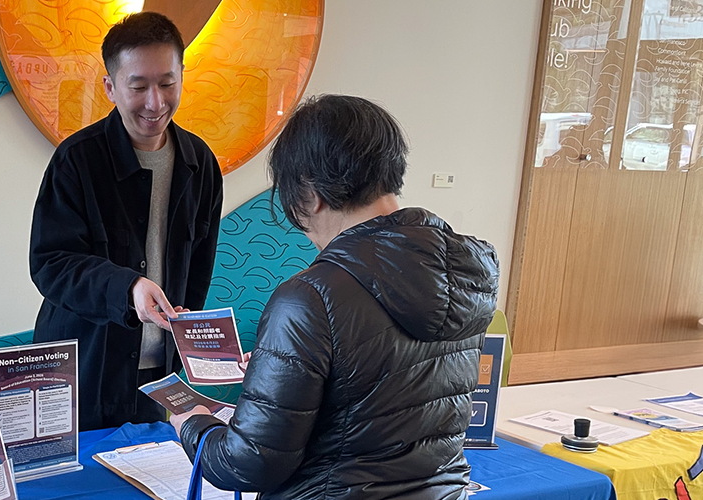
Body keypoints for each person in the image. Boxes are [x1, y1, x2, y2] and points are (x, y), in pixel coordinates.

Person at [170, 95, 500, 499]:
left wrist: (195, 425)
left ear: (309, 195)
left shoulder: (309, 298)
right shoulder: (467, 273)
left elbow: (249, 465)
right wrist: (293, 367)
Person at [29, 12, 223, 430]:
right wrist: (128, 288)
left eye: (168, 83)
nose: (155, 103)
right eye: (138, 86)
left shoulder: (200, 163)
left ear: (182, 76)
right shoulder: (77, 160)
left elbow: (198, 270)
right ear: (110, 87)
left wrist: (191, 331)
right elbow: (51, 264)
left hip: (156, 376)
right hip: (82, 370)